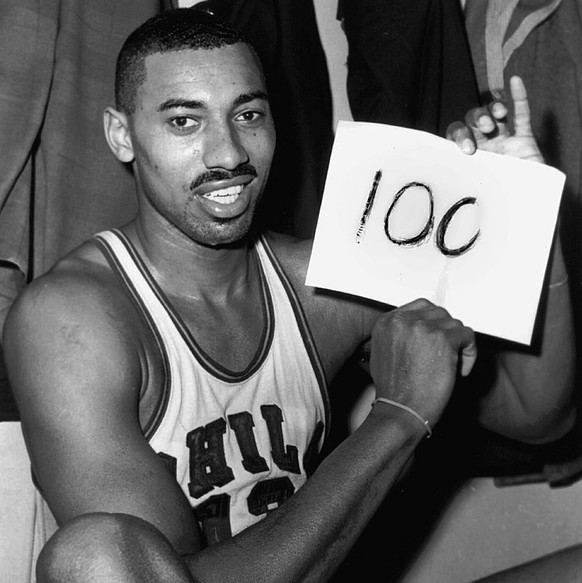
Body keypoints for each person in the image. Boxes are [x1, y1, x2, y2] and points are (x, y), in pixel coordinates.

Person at [2, 9, 574, 582]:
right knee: (92, 555)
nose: (228, 154)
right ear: (121, 135)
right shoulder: (72, 322)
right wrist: (396, 419)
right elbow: (176, 577)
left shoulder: (321, 280)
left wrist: (525, 223)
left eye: (248, 115)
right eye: (184, 122)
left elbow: (538, 415)